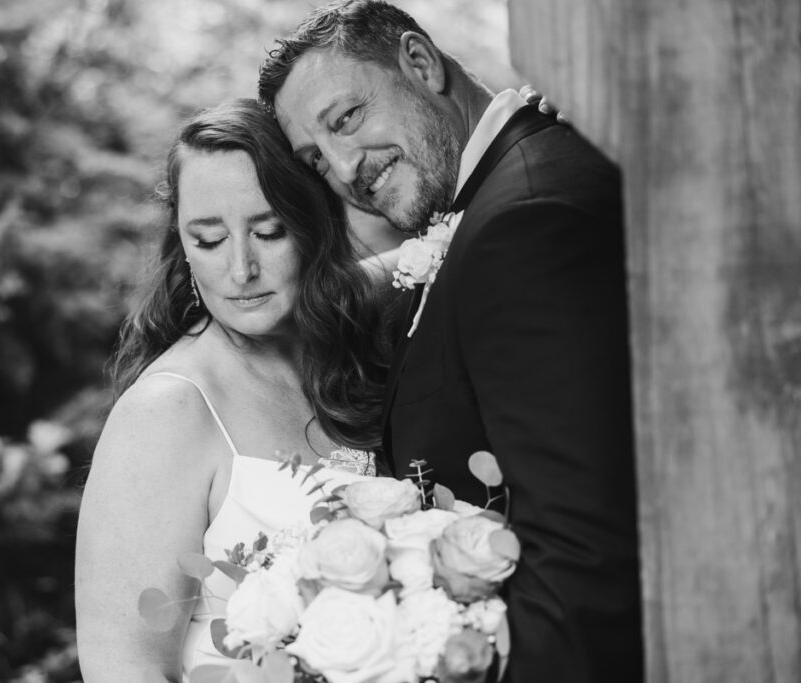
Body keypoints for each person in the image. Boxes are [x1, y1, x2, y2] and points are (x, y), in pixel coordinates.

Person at [258, 2, 643, 681]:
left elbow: (583, 556)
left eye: (346, 118)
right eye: (316, 159)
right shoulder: (493, 203)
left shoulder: (525, 222)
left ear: (420, 63)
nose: (345, 170)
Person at [73, 99, 387, 681]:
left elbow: (434, 256)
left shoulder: (356, 342)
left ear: (313, 222)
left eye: (268, 231)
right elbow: (123, 667)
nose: (241, 270)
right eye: (210, 240)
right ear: (183, 243)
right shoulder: (166, 412)